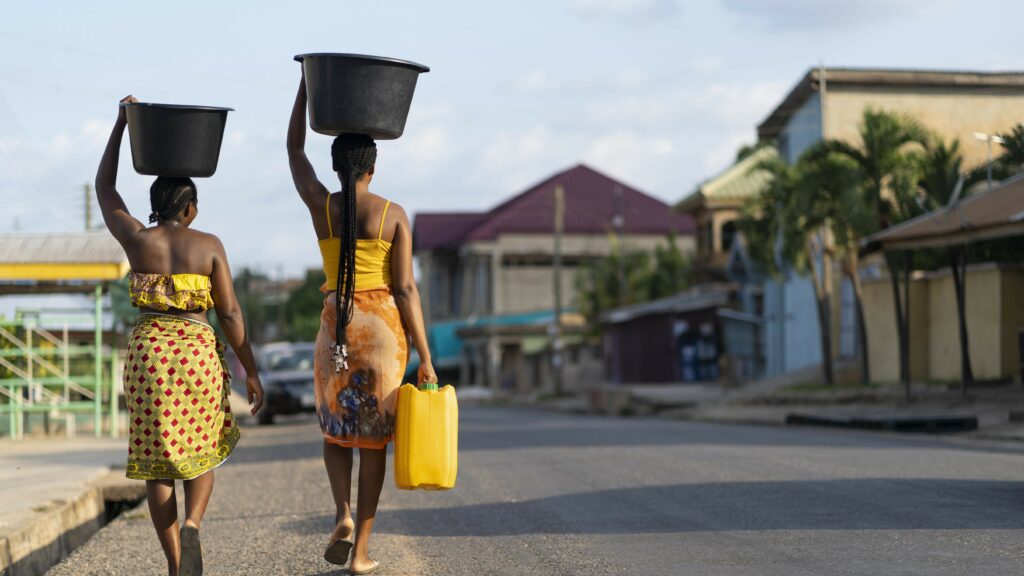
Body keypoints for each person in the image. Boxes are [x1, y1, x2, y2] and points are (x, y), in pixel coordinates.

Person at [96, 95, 264, 576]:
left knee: (158, 458)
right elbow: (229, 313)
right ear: (190, 209)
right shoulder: (209, 246)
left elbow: (105, 187)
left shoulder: (138, 239)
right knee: (201, 445)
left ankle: (174, 564)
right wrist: (249, 370)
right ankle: (193, 522)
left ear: (153, 208)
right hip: (194, 352)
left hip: (149, 354)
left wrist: (120, 126)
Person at [287, 71, 437, 575]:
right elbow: (407, 289)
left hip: (337, 326)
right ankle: (363, 553)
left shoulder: (321, 207)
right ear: (373, 166)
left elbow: (293, 153)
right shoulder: (394, 214)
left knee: (335, 431)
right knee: (373, 440)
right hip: (383, 335)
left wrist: (305, 87)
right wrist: (428, 356)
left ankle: (342, 514)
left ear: (335, 165)